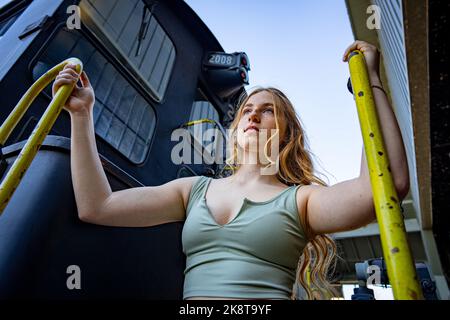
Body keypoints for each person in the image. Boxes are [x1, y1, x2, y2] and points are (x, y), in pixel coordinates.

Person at [52, 40, 410, 300]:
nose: (253, 113)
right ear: (235, 129)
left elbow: (386, 183)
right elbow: (97, 206)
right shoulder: (192, 190)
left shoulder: (300, 201)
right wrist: (81, 115)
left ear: (287, 132)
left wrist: (371, 83)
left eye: (268, 110)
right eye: (247, 109)